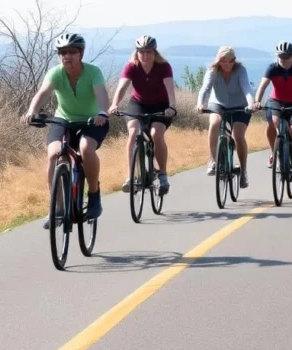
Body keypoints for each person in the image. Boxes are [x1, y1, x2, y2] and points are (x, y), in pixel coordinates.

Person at [22, 32, 110, 228]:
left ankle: (94, 195)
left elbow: (101, 94)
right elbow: (43, 93)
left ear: (81, 54)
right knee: (54, 154)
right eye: (62, 52)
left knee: (86, 148)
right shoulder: (55, 73)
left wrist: (103, 112)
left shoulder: (93, 72)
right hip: (63, 120)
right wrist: (31, 111)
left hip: (92, 121)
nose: (66, 56)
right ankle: (58, 207)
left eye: (71, 52)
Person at [109, 35, 177, 195]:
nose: (145, 55)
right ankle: (131, 176)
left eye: (148, 52)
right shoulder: (131, 66)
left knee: (156, 134)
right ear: (137, 52)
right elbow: (122, 88)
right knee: (133, 132)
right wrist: (114, 104)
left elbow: (170, 88)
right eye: (141, 52)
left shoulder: (164, 66)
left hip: (161, 105)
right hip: (138, 104)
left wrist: (172, 106)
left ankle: (163, 176)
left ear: (154, 52)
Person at [196, 46, 255, 187]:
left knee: (238, 136)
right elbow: (205, 88)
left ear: (234, 60)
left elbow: (247, 88)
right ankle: (212, 161)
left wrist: (251, 104)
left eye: (230, 61)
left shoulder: (241, 70)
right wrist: (200, 104)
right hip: (218, 104)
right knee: (215, 123)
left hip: (240, 106)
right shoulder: (212, 70)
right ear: (218, 60)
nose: (227, 64)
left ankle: (243, 171)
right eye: (223, 61)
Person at [252, 41, 292, 178]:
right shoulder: (272, 68)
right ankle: (274, 152)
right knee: (273, 124)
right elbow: (262, 86)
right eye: (280, 57)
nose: (283, 60)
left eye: (286, 57)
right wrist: (257, 102)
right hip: (276, 101)